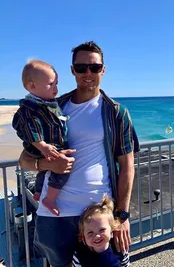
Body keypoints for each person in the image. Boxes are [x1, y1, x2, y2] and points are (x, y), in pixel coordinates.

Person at [19, 41, 139, 267]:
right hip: (55, 212)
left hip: (97, 214)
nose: (88, 73)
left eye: (94, 67)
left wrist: (122, 216)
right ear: (72, 70)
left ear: (103, 69)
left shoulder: (116, 112)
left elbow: (127, 166)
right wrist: (47, 164)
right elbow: (24, 160)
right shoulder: (51, 108)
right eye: (81, 67)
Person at [12, 60, 69, 216]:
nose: (56, 89)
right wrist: (43, 146)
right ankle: (50, 198)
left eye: (56, 83)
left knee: (45, 171)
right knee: (63, 169)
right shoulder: (32, 108)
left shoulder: (47, 103)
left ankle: (38, 191)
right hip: (42, 147)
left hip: (48, 145)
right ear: (32, 86)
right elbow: (33, 128)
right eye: (51, 84)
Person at [73, 194, 123, 267]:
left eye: (102, 230)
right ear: (83, 235)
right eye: (90, 232)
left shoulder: (119, 248)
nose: (97, 236)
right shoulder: (79, 254)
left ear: (112, 229)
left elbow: (126, 264)